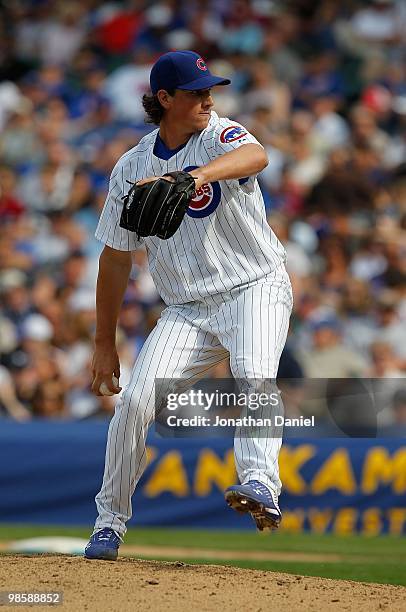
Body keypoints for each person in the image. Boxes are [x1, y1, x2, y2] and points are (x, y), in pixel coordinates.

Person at [84, 50, 293, 561]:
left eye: (209, 90)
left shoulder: (220, 134)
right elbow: (115, 260)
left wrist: (197, 176)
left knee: (255, 374)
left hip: (255, 286)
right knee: (133, 404)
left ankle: (261, 482)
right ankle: (109, 523)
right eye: (196, 91)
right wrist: (103, 344)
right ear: (164, 98)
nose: (207, 98)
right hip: (186, 309)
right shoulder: (132, 168)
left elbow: (257, 155)